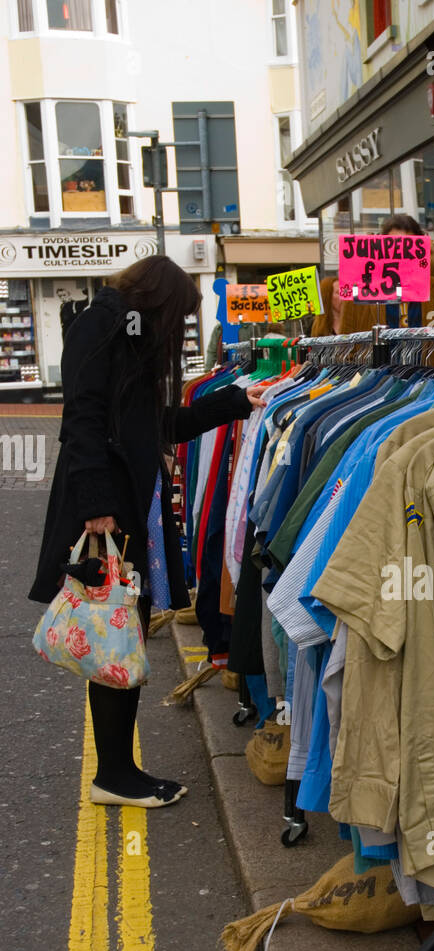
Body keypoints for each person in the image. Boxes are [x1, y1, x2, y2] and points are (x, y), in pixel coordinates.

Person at [30, 255, 263, 809]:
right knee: (114, 629)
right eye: (179, 317)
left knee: (121, 631)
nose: (179, 331)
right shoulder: (101, 324)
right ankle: (114, 775)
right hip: (106, 508)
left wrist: (235, 402)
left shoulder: (124, 332)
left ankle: (118, 769)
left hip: (122, 504)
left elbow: (155, 423)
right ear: (156, 301)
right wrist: (97, 508)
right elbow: (81, 421)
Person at [337, 213, 434, 332]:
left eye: (407, 246)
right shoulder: (358, 297)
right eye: (393, 246)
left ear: (420, 250)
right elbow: (344, 350)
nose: (400, 255)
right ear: (381, 249)